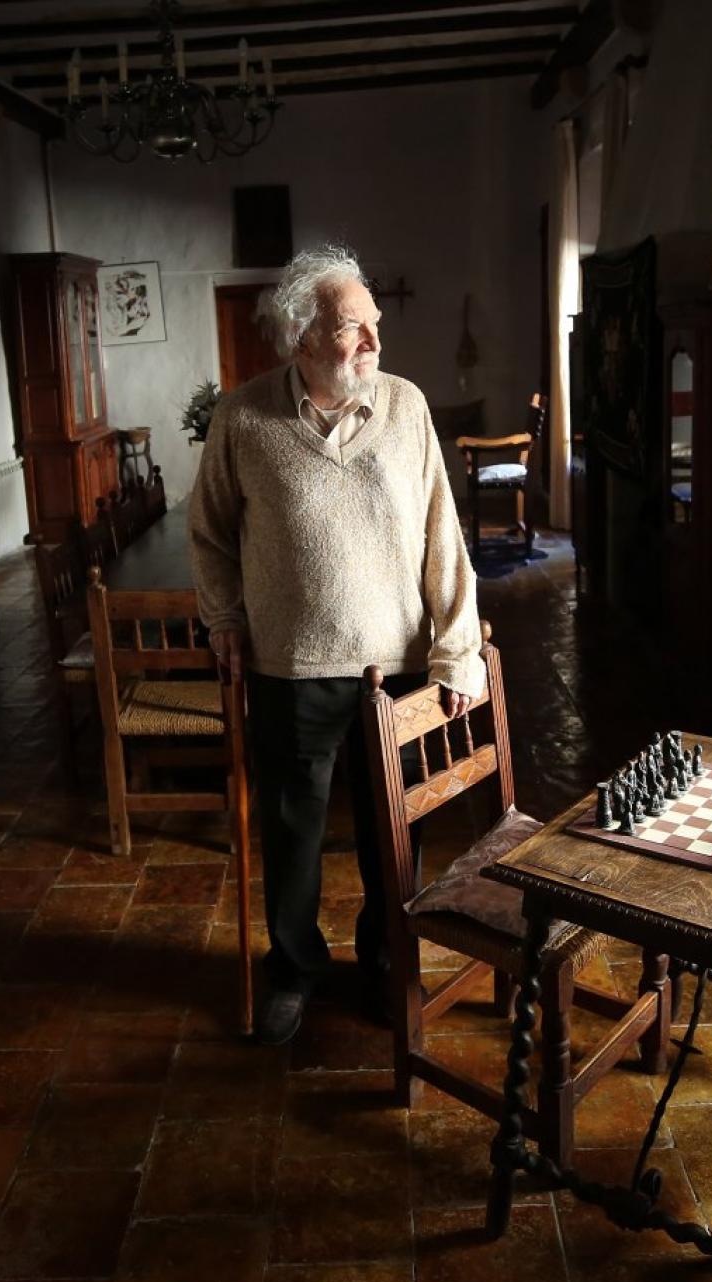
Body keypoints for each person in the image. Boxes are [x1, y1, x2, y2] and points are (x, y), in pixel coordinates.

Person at [189, 244, 485, 1046]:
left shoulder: (407, 406)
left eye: (374, 325)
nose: (373, 343)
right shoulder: (243, 418)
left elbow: (442, 539)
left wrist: (457, 652)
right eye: (353, 329)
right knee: (293, 836)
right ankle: (294, 970)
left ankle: (387, 967)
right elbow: (209, 533)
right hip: (289, 670)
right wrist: (223, 618)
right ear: (301, 340)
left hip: (397, 673)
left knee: (397, 836)